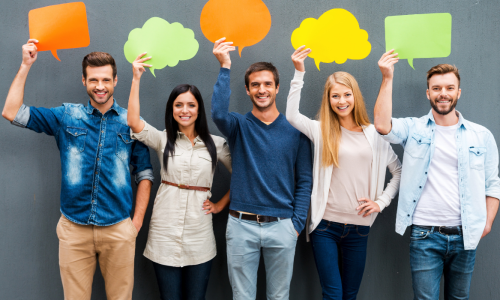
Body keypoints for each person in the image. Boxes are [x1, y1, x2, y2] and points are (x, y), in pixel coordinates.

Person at [2, 40, 154, 299]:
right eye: (93, 80)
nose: (100, 86)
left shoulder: (131, 122)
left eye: (106, 80)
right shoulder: (66, 116)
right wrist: (26, 64)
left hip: (118, 228)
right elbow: (12, 112)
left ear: (116, 80)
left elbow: (145, 174)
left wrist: (135, 223)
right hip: (74, 229)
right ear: (83, 81)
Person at [374, 50, 500, 300]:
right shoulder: (413, 128)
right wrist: (387, 78)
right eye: (437, 88)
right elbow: (381, 124)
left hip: (466, 235)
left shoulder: (481, 135)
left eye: (450, 88)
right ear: (428, 93)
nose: (443, 93)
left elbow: (492, 183)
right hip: (424, 235)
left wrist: (486, 223)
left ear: (458, 93)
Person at [286, 46, 402, 300]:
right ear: (328, 100)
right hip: (325, 226)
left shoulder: (374, 134)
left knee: (349, 295)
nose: (341, 101)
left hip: (359, 229)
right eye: (335, 96)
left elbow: (399, 172)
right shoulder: (321, 130)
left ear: (355, 96)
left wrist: (381, 203)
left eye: (346, 95)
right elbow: (292, 116)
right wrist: (299, 72)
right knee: (333, 294)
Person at [210, 38, 313, 300]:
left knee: (279, 296)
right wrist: (225, 66)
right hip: (240, 225)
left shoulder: (296, 130)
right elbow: (218, 113)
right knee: (242, 296)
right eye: (255, 85)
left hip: (283, 226)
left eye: (268, 84)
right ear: (247, 90)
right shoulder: (238, 126)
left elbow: (304, 180)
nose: (262, 89)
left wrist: (296, 224)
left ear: (277, 88)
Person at [126, 53, 232, 300]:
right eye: (179, 105)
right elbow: (133, 121)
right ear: (171, 109)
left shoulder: (216, 144)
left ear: (199, 109)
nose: (185, 110)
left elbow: (243, 177)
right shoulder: (163, 138)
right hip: (165, 228)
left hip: (200, 232)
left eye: (191, 105)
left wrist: (220, 204)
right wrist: (136, 78)